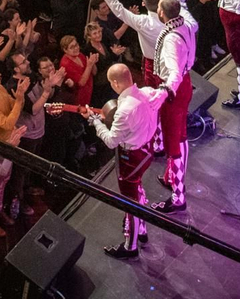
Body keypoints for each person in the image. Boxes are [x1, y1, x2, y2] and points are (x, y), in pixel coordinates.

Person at [102, 0, 197, 213]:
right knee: (178, 136)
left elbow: (174, 72)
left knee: (175, 142)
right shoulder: (185, 21)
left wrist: (164, 91)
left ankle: (178, 194)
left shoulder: (168, 39)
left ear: (161, 13)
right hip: (183, 85)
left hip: (173, 89)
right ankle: (171, 176)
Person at [60, 62, 167, 260]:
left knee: (130, 203)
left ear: (116, 83)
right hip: (146, 150)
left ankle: (130, 245)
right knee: (138, 190)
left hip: (131, 158)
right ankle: (141, 229)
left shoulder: (124, 110)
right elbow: (164, 93)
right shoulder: (148, 92)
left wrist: (95, 122)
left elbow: (110, 141)